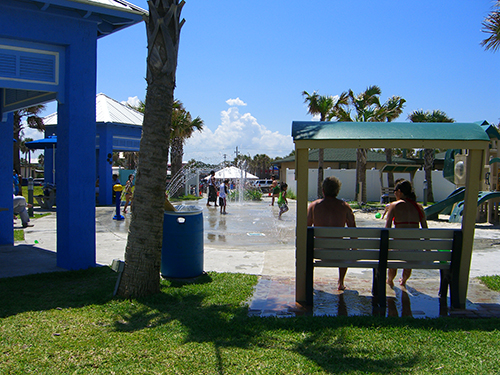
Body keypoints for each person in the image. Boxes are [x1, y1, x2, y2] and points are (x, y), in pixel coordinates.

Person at [307, 176, 356, 291]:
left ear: (323, 190)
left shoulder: (314, 206)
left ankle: (309, 280)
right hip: (339, 253)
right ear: (337, 191)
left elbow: (306, 228)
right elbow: (353, 230)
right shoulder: (345, 207)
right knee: (346, 249)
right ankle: (341, 281)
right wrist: (354, 249)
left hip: (318, 252)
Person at [384, 179, 428, 287]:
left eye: (395, 191)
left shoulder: (394, 206)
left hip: (398, 247)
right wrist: (427, 248)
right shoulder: (419, 207)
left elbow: (387, 229)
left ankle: (389, 280)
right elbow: (425, 230)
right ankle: (403, 281)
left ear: (399, 191)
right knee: (409, 256)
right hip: (414, 249)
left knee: (393, 258)